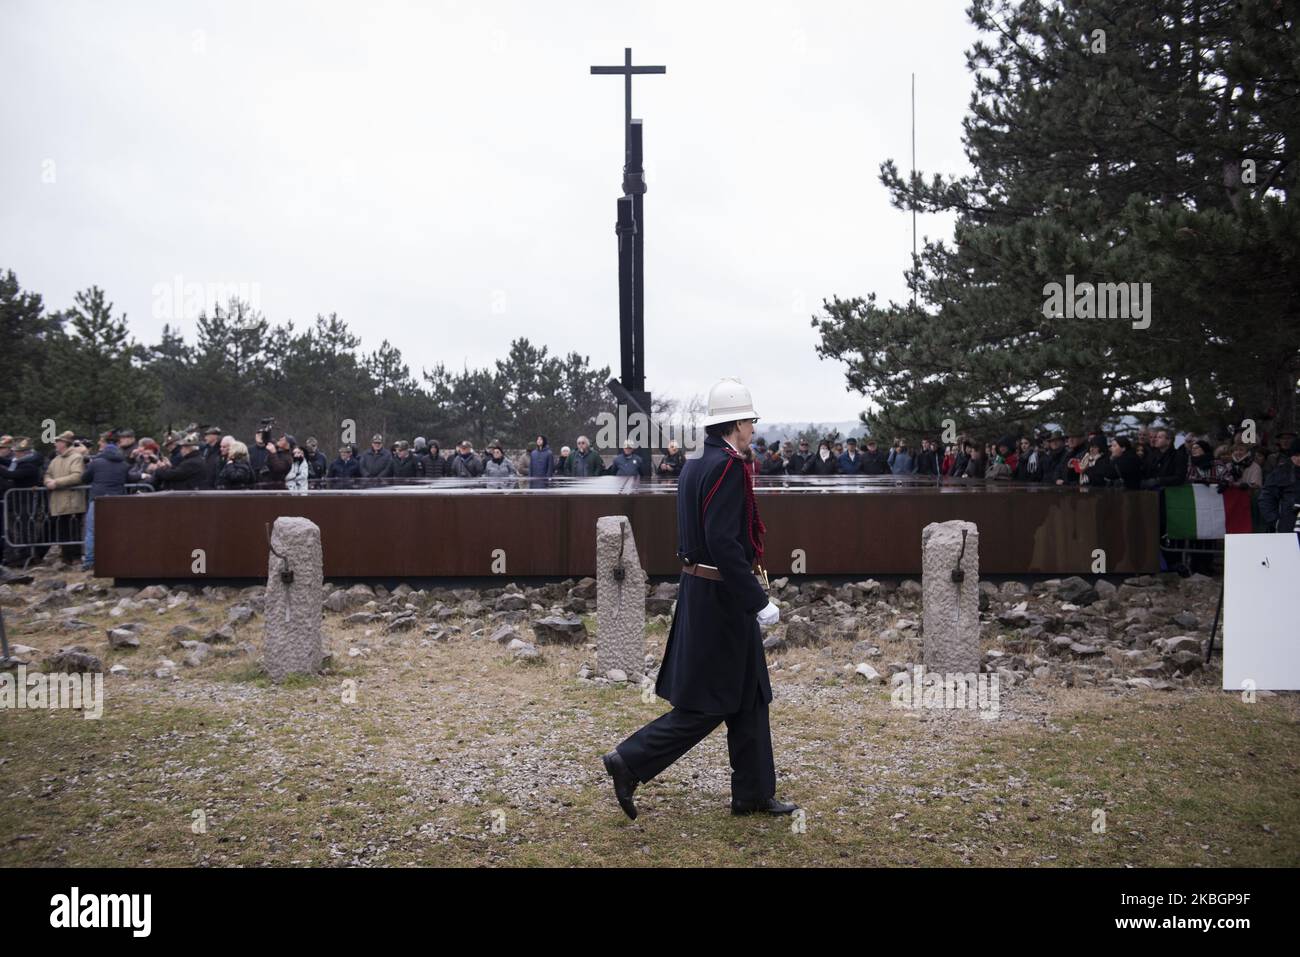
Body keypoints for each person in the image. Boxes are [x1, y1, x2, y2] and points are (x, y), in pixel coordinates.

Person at [602, 377, 797, 819]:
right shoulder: (727, 467)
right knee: (709, 703)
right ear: (734, 423)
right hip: (723, 598)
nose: (752, 428)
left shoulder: (698, 462)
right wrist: (757, 600)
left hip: (705, 590)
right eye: (749, 420)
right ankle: (629, 760)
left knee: (750, 695)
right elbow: (724, 542)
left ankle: (752, 791)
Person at [79, 431, 130, 570]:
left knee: (91, 531)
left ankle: (90, 561)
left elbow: (84, 478)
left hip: (98, 499)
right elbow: (129, 478)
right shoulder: (123, 464)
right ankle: (116, 558)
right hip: (117, 500)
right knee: (116, 531)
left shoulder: (96, 463)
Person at [42, 430, 87, 563]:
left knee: (73, 531)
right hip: (59, 501)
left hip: (72, 501)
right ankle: (66, 558)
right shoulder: (55, 460)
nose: (55, 444)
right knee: (63, 531)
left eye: (58, 441)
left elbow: (77, 476)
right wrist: (48, 481)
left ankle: (75, 557)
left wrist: (56, 482)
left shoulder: (76, 458)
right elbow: (47, 473)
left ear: (64, 443)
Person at [1258, 437, 1300, 533]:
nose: (1299, 459)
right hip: (1289, 526)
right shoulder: (1280, 473)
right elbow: (1266, 499)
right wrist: (1276, 521)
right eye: (1296, 455)